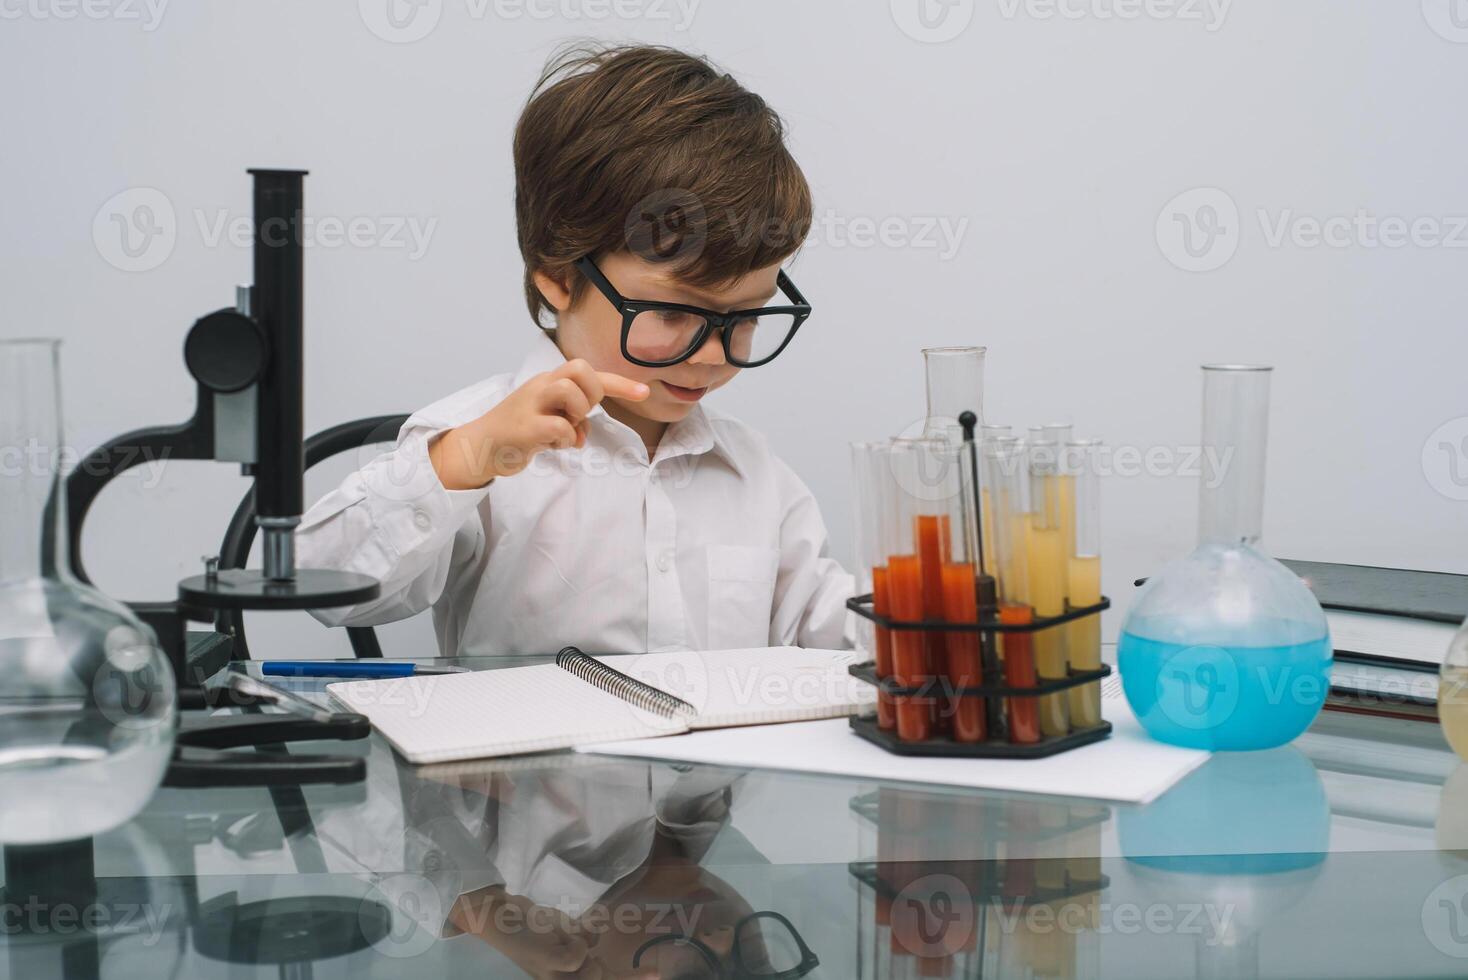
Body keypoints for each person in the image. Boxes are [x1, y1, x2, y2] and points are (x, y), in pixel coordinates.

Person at [298, 45, 852, 657]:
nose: (713, 355)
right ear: (560, 277)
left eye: (745, 317)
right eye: (673, 313)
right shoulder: (477, 444)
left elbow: (830, 631)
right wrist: (464, 460)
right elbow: (324, 586)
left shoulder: (755, 473)